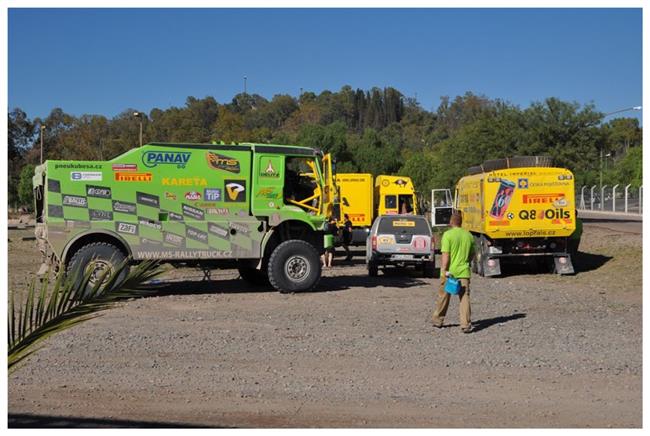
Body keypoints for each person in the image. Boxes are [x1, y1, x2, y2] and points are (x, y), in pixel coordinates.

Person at [432, 211, 475, 333]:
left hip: (451, 272)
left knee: (444, 295)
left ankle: (438, 320)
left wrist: (443, 269)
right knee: (464, 297)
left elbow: (446, 255)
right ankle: (465, 324)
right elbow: (472, 254)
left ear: (451, 222)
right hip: (464, 271)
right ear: (461, 222)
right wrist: (466, 262)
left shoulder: (447, 235)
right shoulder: (469, 236)